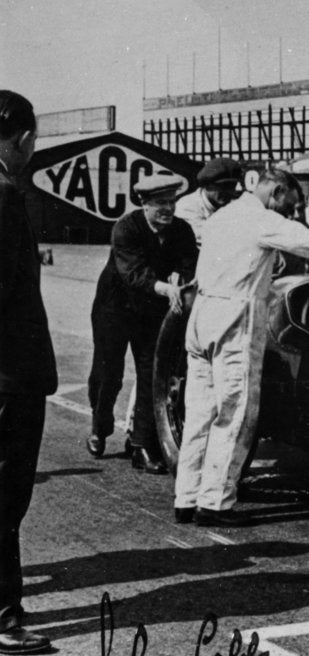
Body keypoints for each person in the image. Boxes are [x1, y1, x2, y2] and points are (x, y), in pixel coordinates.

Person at [173, 169, 309, 527]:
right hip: (235, 316)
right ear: (277, 192)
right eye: (288, 205)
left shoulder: (222, 216)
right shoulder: (261, 219)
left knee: (200, 413)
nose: (289, 212)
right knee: (235, 415)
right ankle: (215, 504)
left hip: (202, 315)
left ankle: (186, 498)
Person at [86, 176, 198, 474]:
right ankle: (99, 427)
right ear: (144, 204)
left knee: (151, 374)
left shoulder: (182, 230)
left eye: (172, 202)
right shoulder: (126, 227)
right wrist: (167, 288)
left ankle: (141, 445)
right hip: (114, 309)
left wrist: (181, 276)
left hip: (151, 311)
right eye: (160, 203)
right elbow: (134, 273)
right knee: (108, 373)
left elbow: (189, 262)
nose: (168, 209)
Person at [0, 89, 55, 654]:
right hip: (8, 375)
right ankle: (3, 617)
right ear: (23, 139)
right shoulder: (4, 195)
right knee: (4, 498)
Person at [174, 157, 244, 246]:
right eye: (222, 186)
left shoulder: (233, 205)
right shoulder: (187, 207)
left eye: (231, 186)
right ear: (207, 185)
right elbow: (212, 239)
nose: (227, 191)